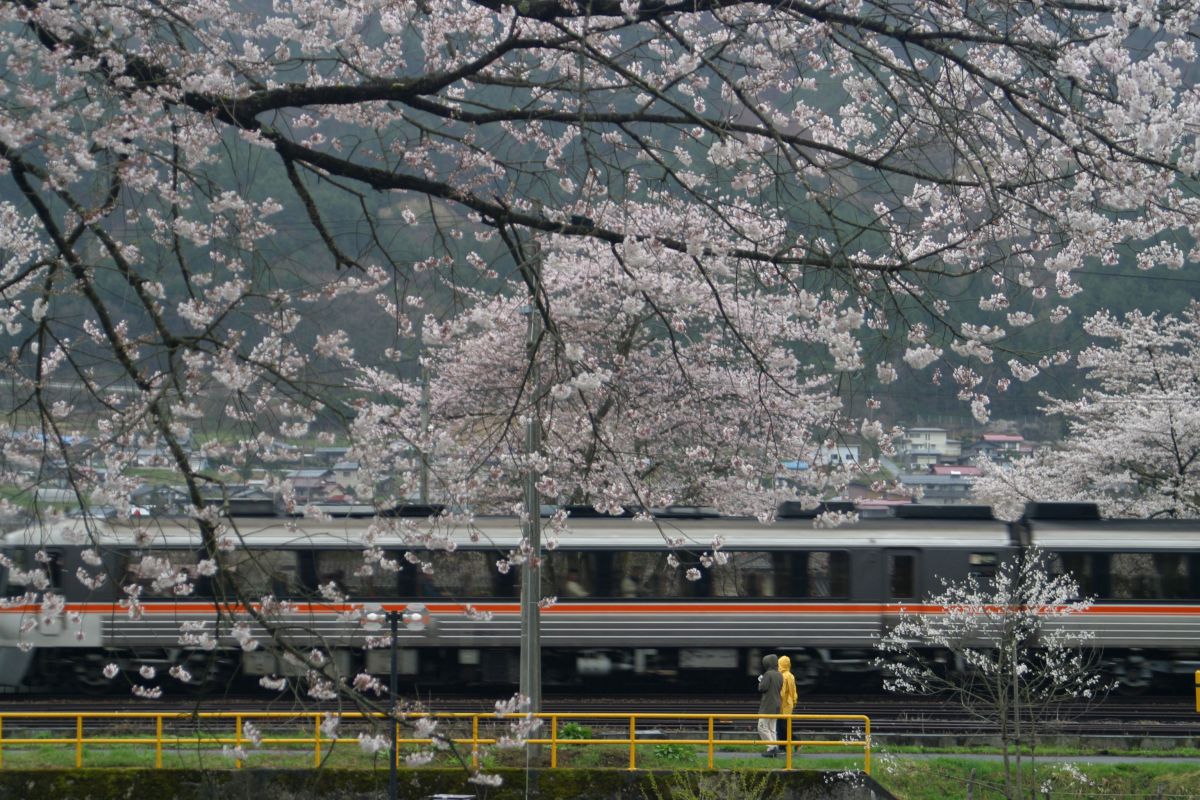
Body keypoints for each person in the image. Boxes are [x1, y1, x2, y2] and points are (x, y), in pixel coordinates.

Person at [756, 653, 783, 757]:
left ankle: (771, 748)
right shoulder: (779, 674)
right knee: (772, 728)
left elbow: (762, 688)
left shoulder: (768, 674)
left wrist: (761, 680)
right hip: (777, 704)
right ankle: (774, 747)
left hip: (768, 704)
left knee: (761, 727)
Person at [777, 655, 798, 750]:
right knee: (783, 726)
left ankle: (796, 741)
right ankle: (782, 746)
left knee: (782, 727)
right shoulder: (791, 676)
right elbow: (794, 691)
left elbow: (782, 693)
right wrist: (794, 701)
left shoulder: (783, 676)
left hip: (783, 705)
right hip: (789, 704)